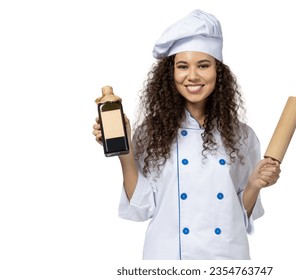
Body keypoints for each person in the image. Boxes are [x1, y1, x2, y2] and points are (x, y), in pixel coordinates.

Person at [92, 9, 281, 260]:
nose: (192, 76)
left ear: (218, 72)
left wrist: (255, 184)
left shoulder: (243, 136)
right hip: (168, 260)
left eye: (203, 65)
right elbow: (142, 207)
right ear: (171, 74)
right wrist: (124, 151)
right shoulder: (151, 132)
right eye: (183, 66)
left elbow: (239, 214)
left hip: (227, 260)